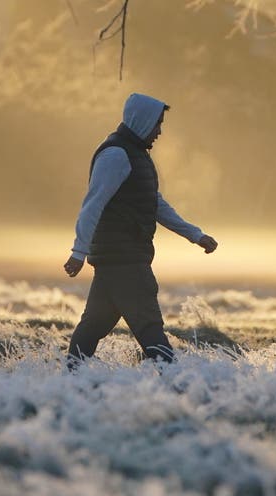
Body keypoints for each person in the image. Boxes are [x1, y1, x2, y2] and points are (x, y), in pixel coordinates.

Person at [64, 92, 218, 367]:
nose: (159, 131)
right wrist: (78, 251)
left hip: (119, 259)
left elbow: (154, 203)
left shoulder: (135, 155)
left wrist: (195, 235)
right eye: (157, 123)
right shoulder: (116, 155)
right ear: (142, 121)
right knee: (150, 328)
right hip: (125, 261)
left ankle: (69, 383)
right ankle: (177, 385)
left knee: (92, 327)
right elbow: (93, 204)